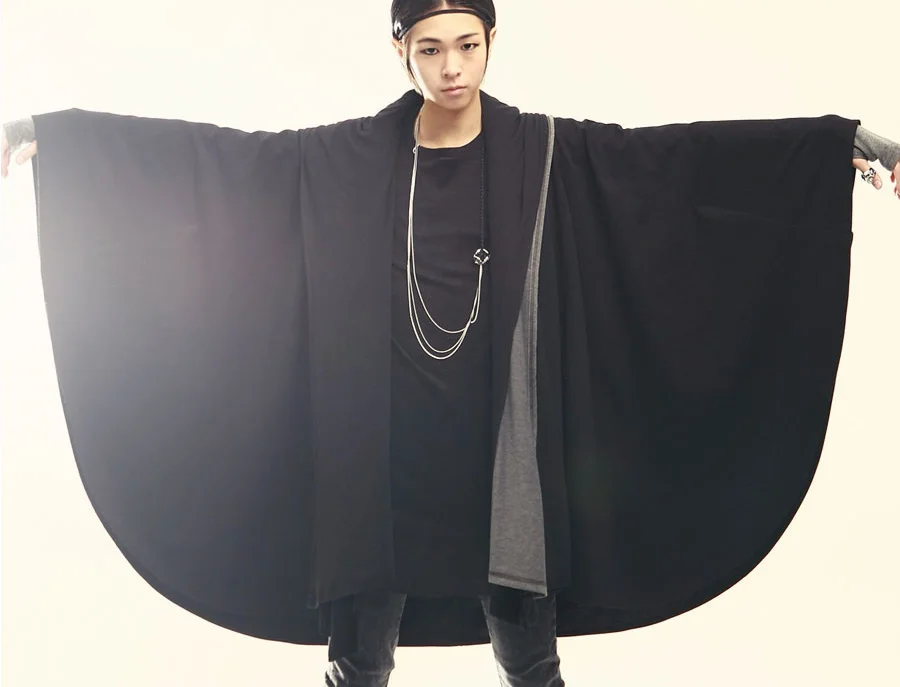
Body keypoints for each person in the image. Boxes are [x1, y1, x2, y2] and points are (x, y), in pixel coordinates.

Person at [2, 2, 899, 687]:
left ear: (492, 41)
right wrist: (56, 140)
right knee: (359, 658)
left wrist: (834, 147)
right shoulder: (346, 158)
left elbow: (679, 165)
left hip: (503, 450)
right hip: (382, 454)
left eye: (467, 44)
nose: (452, 66)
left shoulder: (545, 151)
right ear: (400, 50)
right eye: (430, 48)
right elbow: (216, 164)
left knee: (529, 654)